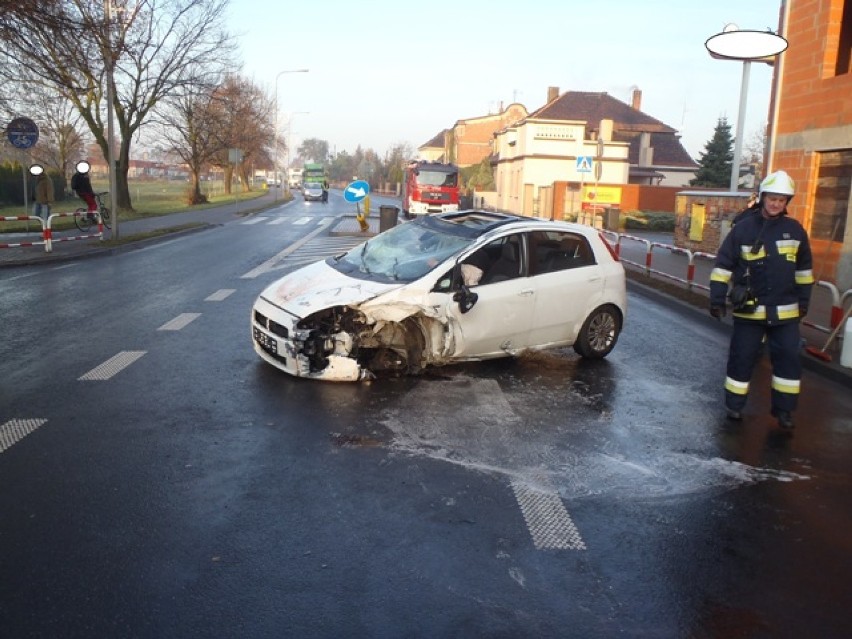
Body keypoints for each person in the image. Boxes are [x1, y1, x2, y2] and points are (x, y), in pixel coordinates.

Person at [709, 170, 814, 429]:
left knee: (788, 360)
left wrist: (804, 302)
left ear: (786, 202)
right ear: (763, 198)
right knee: (741, 358)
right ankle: (734, 406)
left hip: (785, 314)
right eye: (772, 198)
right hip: (750, 313)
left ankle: (784, 411)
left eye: (781, 199)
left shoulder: (796, 231)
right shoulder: (743, 229)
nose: (776, 203)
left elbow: (804, 271)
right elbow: (723, 266)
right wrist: (717, 299)